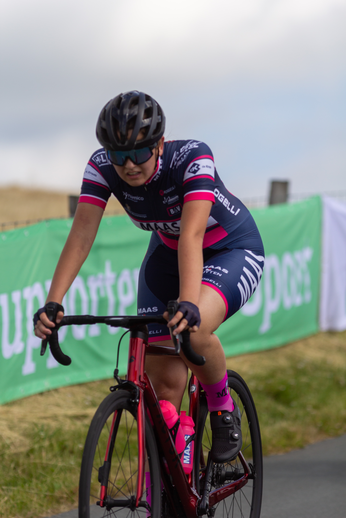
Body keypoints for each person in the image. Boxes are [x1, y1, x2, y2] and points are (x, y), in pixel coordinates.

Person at [34, 90, 265, 463]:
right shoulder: (101, 167)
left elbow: (191, 235)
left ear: (159, 144)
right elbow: (80, 237)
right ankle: (176, 463)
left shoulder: (192, 159)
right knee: (164, 386)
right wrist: (54, 302)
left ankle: (223, 409)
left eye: (139, 153)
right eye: (118, 155)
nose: (128, 166)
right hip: (167, 255)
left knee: (194, 328)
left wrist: (189, 304)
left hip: (230, 249)